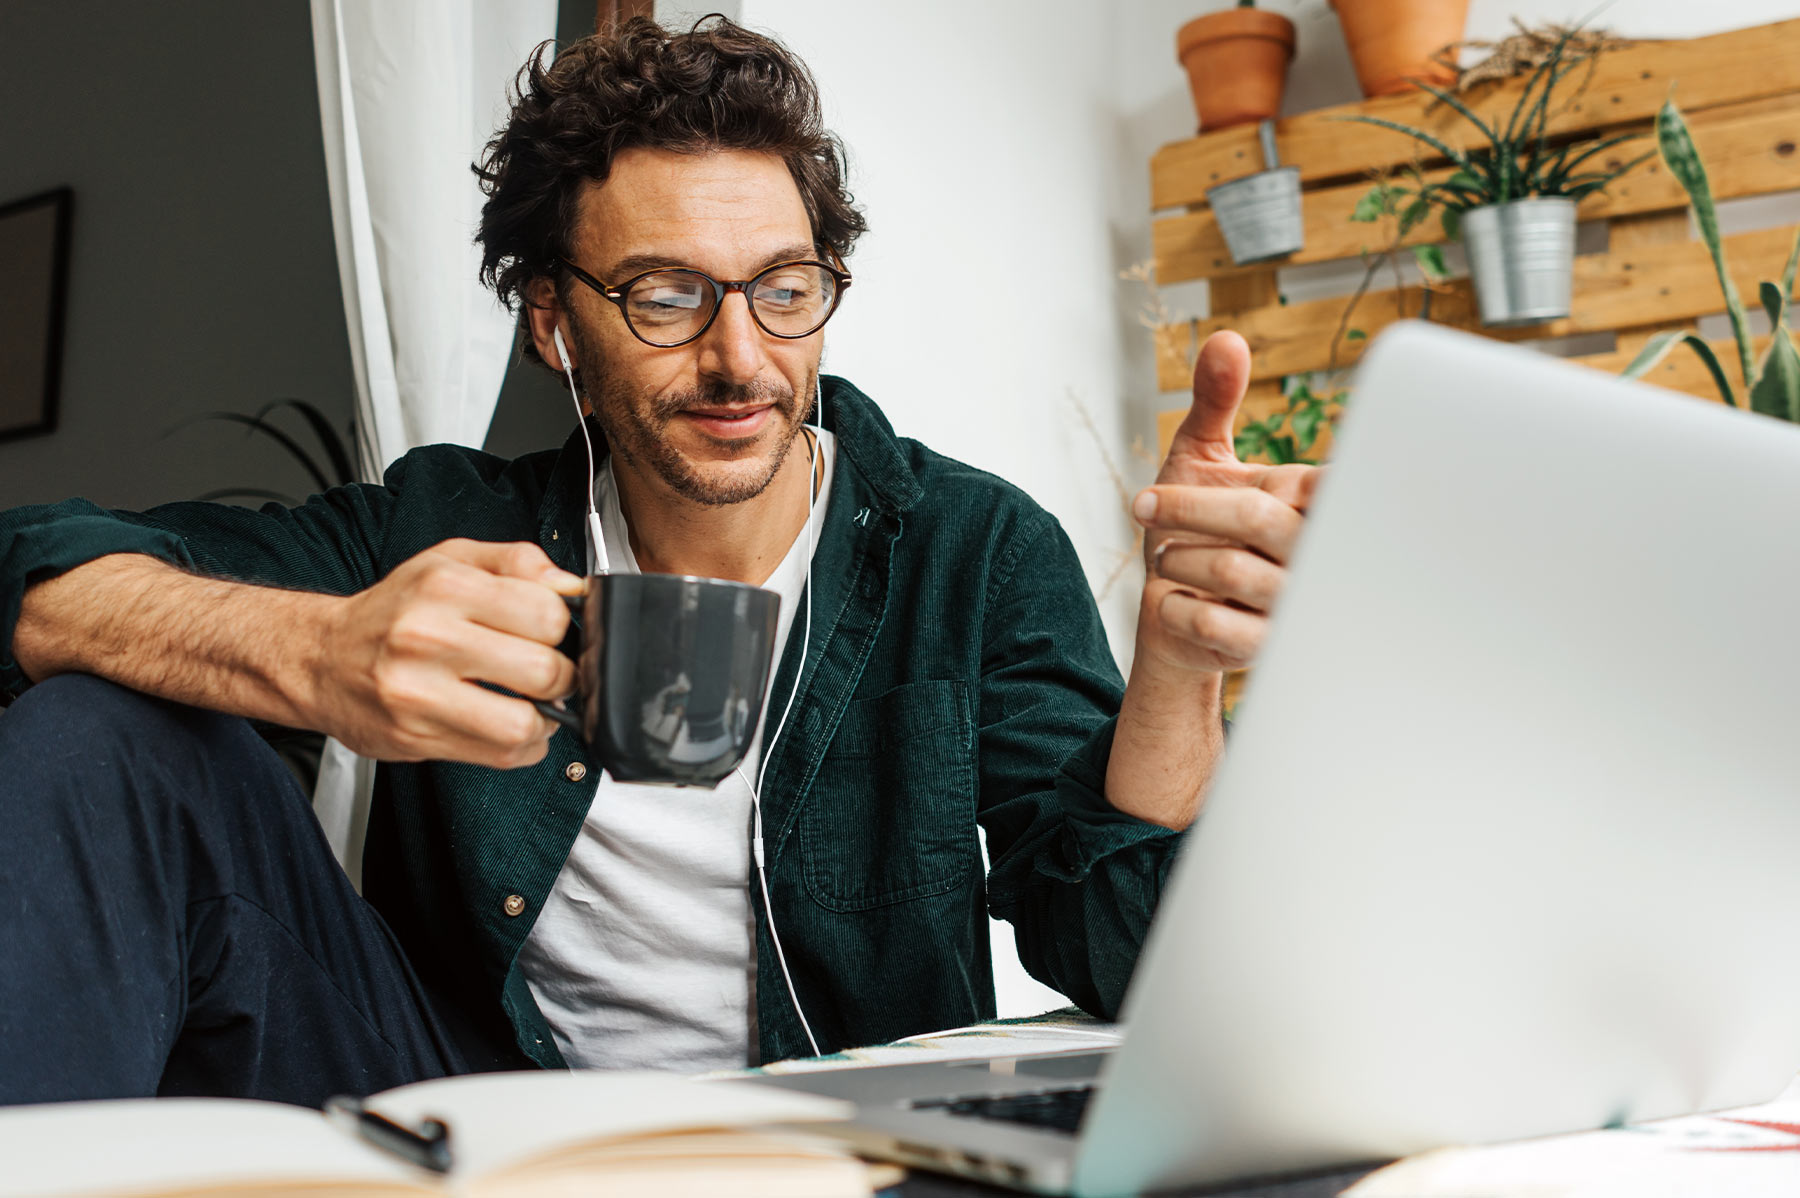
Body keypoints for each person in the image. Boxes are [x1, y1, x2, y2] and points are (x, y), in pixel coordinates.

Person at [0, 17, 1317, 1106]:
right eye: (667, 296)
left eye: (784, 289)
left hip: (827, 1148)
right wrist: (320, 651)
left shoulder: (969, 546)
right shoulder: (440, 527)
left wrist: (1180, 665)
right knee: (101, 734)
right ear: (553, 322)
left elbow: (1130, 962)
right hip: (469, 1115)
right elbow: (27, 564)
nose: (741, 359)